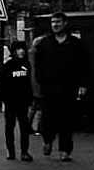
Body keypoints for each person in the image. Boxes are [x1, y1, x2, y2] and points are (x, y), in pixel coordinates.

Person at [33, 11, 88, 161]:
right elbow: (38, 65)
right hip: (49, 88)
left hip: (69, 88)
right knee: (48, 118)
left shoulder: (75, 44)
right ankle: (48, 141)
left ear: (65, 23)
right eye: (53, 22)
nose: (55, 25)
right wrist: (41, 80)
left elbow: (82, 65)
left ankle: (65, 150)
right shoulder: (45, 43)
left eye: (58, 22)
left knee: (67, 120)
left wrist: (82, 84)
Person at [0, 39, 34, 161]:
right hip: (11, 102)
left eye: (23, 49)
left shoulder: (27, 65)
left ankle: (24, 151)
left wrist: (30, 98)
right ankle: (10, 151)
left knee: (24, 127)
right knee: (9, 127)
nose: (21, 52)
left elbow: (29, 83)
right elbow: (0, 83)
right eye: (18, 49)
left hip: (23, 102)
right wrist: (5, 99)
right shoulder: (8, 66)